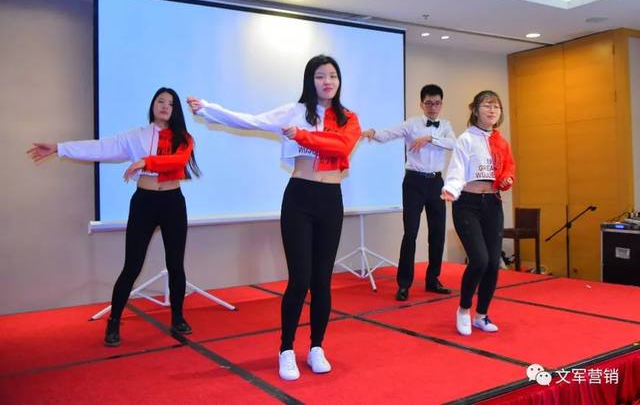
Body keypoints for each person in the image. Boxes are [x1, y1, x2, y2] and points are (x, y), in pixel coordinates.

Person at [186, 54, 361, 381]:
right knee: (300, 279)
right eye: (320, 76)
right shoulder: (294, 112)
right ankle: (286, 349)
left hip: (330, 200)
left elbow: (341, 147)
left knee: (322, 281)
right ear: (310, 80)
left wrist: (302, 136)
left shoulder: (349, 118)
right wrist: (208, 109)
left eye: (333, 76)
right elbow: (250, 121)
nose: (327, 82)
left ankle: (317, 347)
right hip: (300, 197)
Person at [27, 87, 201, 346]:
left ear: (176, 110)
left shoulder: (184, 138)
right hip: (144, 203)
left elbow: (179, 161)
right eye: (160, 101)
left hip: (173, 203)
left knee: (176, 264)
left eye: (171, 103)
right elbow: (101, 148)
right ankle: (114, 322)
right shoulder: (136, 136)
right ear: (153, 105)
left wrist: (145, 162)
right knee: (132, 266)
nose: (165, 106)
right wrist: (59, 148)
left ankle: (177, 317)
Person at [362, 84, 456, 301]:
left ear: (441, 104)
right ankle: (404, 284)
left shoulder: (446, 126)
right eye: (429, 103)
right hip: (414, 182)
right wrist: (373, 133)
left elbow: (454, 143)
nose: (433, 107)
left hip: (436, 183)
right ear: (421, 104)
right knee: (410, 233)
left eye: (437, 103)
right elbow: (388, 134)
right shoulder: (412, 124)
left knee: (437, 233)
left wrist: (430, 138)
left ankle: (433, 280)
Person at [440, 90, 515, 336]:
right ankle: (464, 309)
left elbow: (508, 167)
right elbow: (456, 170)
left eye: (496, 106)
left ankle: (481, 315)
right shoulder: (466, 139)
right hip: (467, 204)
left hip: (492, 203)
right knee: (479, 260)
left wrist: (506, 179)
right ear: (474, 110)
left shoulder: (501, 142)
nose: (492, 110)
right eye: (486, 105)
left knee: (493, 263)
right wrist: (451, 189)